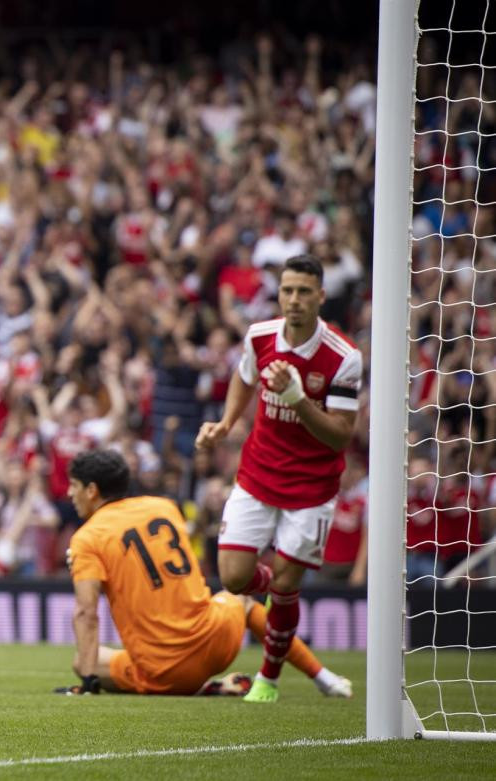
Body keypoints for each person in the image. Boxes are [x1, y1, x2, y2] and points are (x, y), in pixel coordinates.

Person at [195, 254, 362, 703]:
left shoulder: (343, 358)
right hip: (257, 475)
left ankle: (268, 679)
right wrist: (227, 423)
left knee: (286, 588)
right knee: (233, 577)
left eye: (304, 291)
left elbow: (339, 437)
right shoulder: (260, 335)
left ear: (321, 297)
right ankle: (282, 580)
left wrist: (297, 397)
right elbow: (243, 377)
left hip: (310, 490)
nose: (294, 299)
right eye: (287, 290)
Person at [58, 450, 351, 698]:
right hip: (215, 640)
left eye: (73, 485)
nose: (69, 493)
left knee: (85, 660)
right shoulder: (165, 507)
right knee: (244, 601)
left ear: (92, 490)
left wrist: (85, 684)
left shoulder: (88, 537)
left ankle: (199, 687)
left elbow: (86, 613)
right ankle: (323, 677)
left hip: (164, 671)